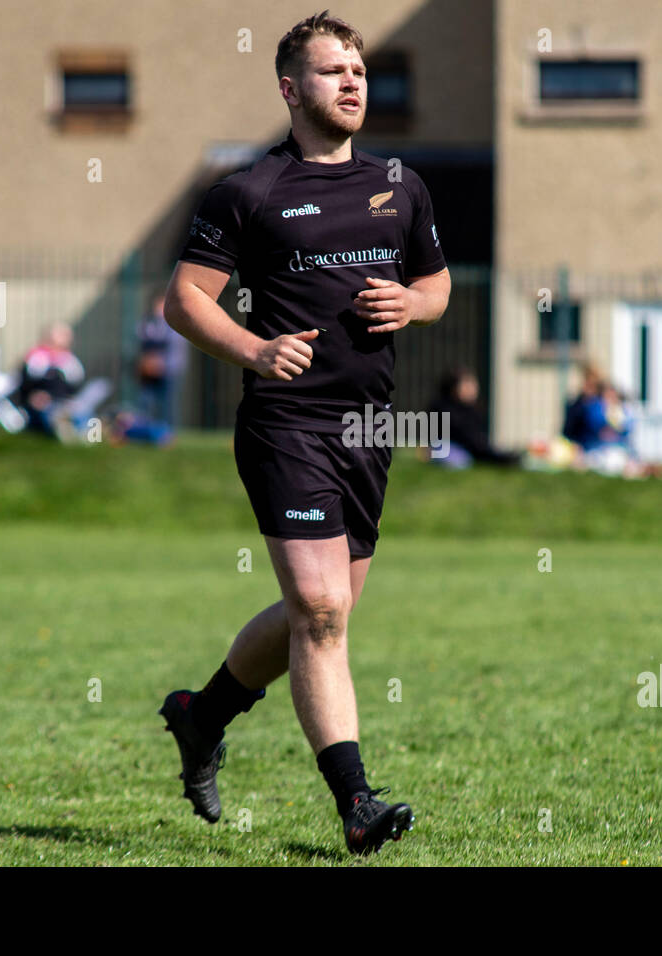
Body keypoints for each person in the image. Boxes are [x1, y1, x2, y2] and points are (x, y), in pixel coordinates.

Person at [157, 10, 450, 855]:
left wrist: (413, 304)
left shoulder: (401, 184)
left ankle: (201, 714)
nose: (353, 83)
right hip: (287, 425)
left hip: (368, 428)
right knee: (320, 610)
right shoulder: (247, 193)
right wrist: (256, 347)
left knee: (320, 614)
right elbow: (183, 302)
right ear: (290, 88)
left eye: (359, 70)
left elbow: (435, 288)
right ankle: (356, 802)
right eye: (333, 72)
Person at [17, 322, 111, 442]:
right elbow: (27, 385)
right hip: (43, 404)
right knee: (50, 411)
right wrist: (34, 397)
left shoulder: (69, 361)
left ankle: (83, 430)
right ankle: (65, 428)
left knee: (89, 397)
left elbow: (75, 386)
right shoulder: (36, 358)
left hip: (65, 401)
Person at [427, 367, 518, 469]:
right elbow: (463, 434)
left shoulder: (472, 408)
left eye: (473, 385)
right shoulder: (442, 407)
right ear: (453, 387)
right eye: (466, 385)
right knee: (459, 461)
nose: (472, 389)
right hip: (448, 446)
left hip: (466, 447)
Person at [136, 292, 190, 430]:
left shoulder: (175, 322)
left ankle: (168, 431)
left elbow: (171, 342)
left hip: (170, 369)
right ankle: (146, 429)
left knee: (168, 403)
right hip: (150, 371)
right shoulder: (148, 321)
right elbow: (140, 336)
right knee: (147, 401)